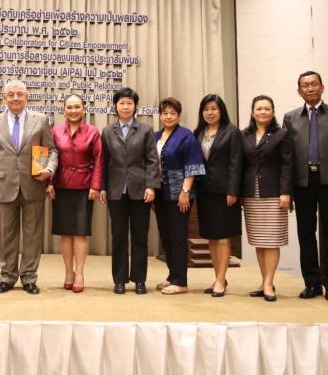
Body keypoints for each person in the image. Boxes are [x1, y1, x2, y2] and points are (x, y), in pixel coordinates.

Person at [283, 71, 328, 302]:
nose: (310, 88)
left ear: (322, 87)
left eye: (314, 84)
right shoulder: (290, 118)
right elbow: (287, 156)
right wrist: (287, 188)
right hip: (302, 182)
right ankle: (312, 283)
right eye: (305, 85)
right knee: (305, 234)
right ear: (299, 91)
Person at [0, 80, 58, 295]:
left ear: (27, 97)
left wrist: (49, 170)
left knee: (33, 234)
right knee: (6, 235)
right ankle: (7, 277)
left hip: (34, 184)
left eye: (19, 94)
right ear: (4, 97)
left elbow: (51, 150)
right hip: (5, 185)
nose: (15, 98)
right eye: (11, 94)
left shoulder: (41, 120)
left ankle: (29, 278)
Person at [100, 87, 161, 295]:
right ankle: (119, 280)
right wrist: (103, 187)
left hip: (140, 190)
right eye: (122, 103)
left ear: (135, 106)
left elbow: (152, 160)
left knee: (140, 237)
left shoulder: (145, 130)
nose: (125, 106)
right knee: (118, 237)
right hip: (116, 191)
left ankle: (139, 280)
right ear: (115, 106)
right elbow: (103, 161)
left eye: (129, 103)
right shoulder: (108, 131)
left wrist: (151, 186)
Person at [46, 94, 103, 293]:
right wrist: (49, 182)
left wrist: (95, 186)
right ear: (64, 109)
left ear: (84, 109)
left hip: (84, 187)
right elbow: (51, 157)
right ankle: (68, 272)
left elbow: (99, 160)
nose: (73, 111)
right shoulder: (55, 131)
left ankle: (79, 273)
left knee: (80, 232)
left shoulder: (92, 132)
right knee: (65, 232)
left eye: (77, 107)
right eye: (69, 107)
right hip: (61, 186)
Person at [241, 95, 292, 302]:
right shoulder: (244, 135)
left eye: (266, 109)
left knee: (272, 240)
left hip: (274, 192)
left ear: (273, 112)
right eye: (259, 108)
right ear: (252, 112)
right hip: (251, 193)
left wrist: (285, 192)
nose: (262, 112)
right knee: (259, 240)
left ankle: (270, 283)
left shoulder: (282, 134)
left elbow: (287, 165)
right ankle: (263, 282)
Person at [153, 97, 205, 295]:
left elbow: (192, 165)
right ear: (160, 115)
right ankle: (172, 275)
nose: (168, 116)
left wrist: (185, 192)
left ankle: (181, 281)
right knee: (165, 235)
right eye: (165, 113)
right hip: (160, 193)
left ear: (179, 115)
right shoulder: (156, 136)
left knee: (177, 236)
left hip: (179, 194)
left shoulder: (186, 136)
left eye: (172, 113)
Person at [193, 93, 242, 298]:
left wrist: (233, 190)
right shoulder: (198, 132)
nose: (209, 112)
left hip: (224, 192)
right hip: (204, 191)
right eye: (206, 109)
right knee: (211, 237)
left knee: (222, 237)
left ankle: (221, 279)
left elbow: (236, 163)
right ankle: (217, 277)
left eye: (214, 108)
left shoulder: (232, 131)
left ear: (221, 110)